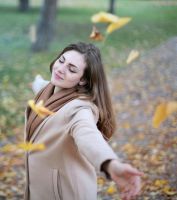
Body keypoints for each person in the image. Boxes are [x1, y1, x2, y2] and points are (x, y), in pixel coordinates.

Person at [25, 42, 143, 200]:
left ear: (82, 80)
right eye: (61, 60)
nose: (60, 69)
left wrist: (111, 164)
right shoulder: (48, 89)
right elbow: (41, 85)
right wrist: (36, 82)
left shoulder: (79, 109)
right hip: (40, 190)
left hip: (66, 193)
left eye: (71, 69)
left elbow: (88, 135)